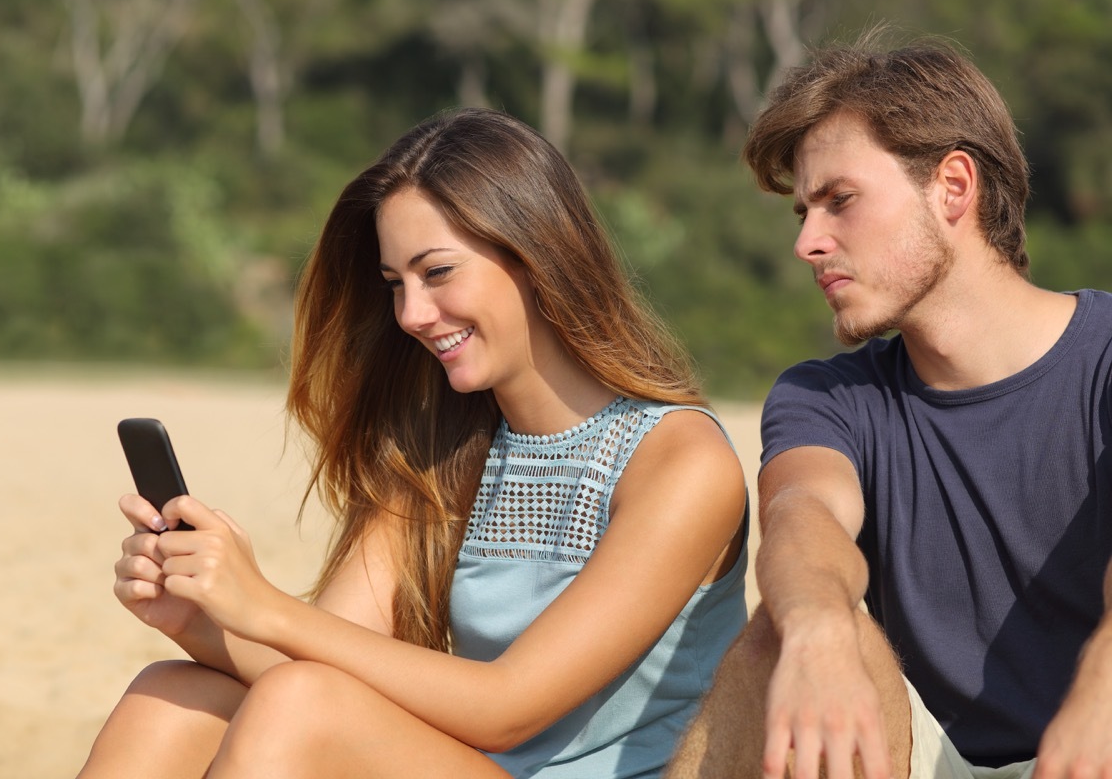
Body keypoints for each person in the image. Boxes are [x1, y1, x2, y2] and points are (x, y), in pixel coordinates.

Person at [78, 107, 749, 778]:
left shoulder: (680, 462)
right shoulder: (446, 456)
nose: (411, 315)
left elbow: (508, 707)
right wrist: (194, 619)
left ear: (535, 253)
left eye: (437, 272)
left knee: (300, 705)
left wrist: (265, 605)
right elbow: (321, 656)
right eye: (396, 284)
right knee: (172, 695)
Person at [664, 30, 1112, 779]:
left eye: (839, 201)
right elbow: (803, 515)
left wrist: (1102, 687)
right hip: (927, 757)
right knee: (784, 632)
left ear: (954, 188)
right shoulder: (827, 396)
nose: (808, 241)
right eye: (803, 213)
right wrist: (813, 628)